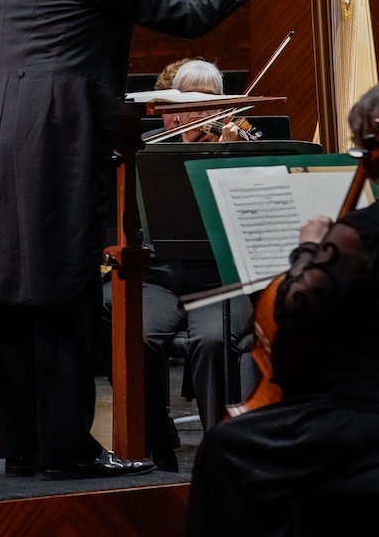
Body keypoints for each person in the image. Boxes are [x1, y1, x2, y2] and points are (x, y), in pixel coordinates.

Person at [0, 0, 262, 480]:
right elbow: (190, 15)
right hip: (55, 138)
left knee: (2, 287)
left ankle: (23, 447)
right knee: (61, 285)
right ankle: (66, 451)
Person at [187, 77, 379, 535]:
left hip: (374, 420)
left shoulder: (364, 234)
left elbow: (294, 317)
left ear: (371, 146)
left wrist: (306, 250)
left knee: (226, 446)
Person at [103, 59, 258, 471]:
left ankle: (219, 452)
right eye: (190, 105)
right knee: (138, 334)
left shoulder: (237, 149)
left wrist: (229, 158)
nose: (201, 115)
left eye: (211, 104)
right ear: (170, 109)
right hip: (156, 277)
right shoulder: (144, 151)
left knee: (212, 339)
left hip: (219, 279)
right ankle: (155, 445)